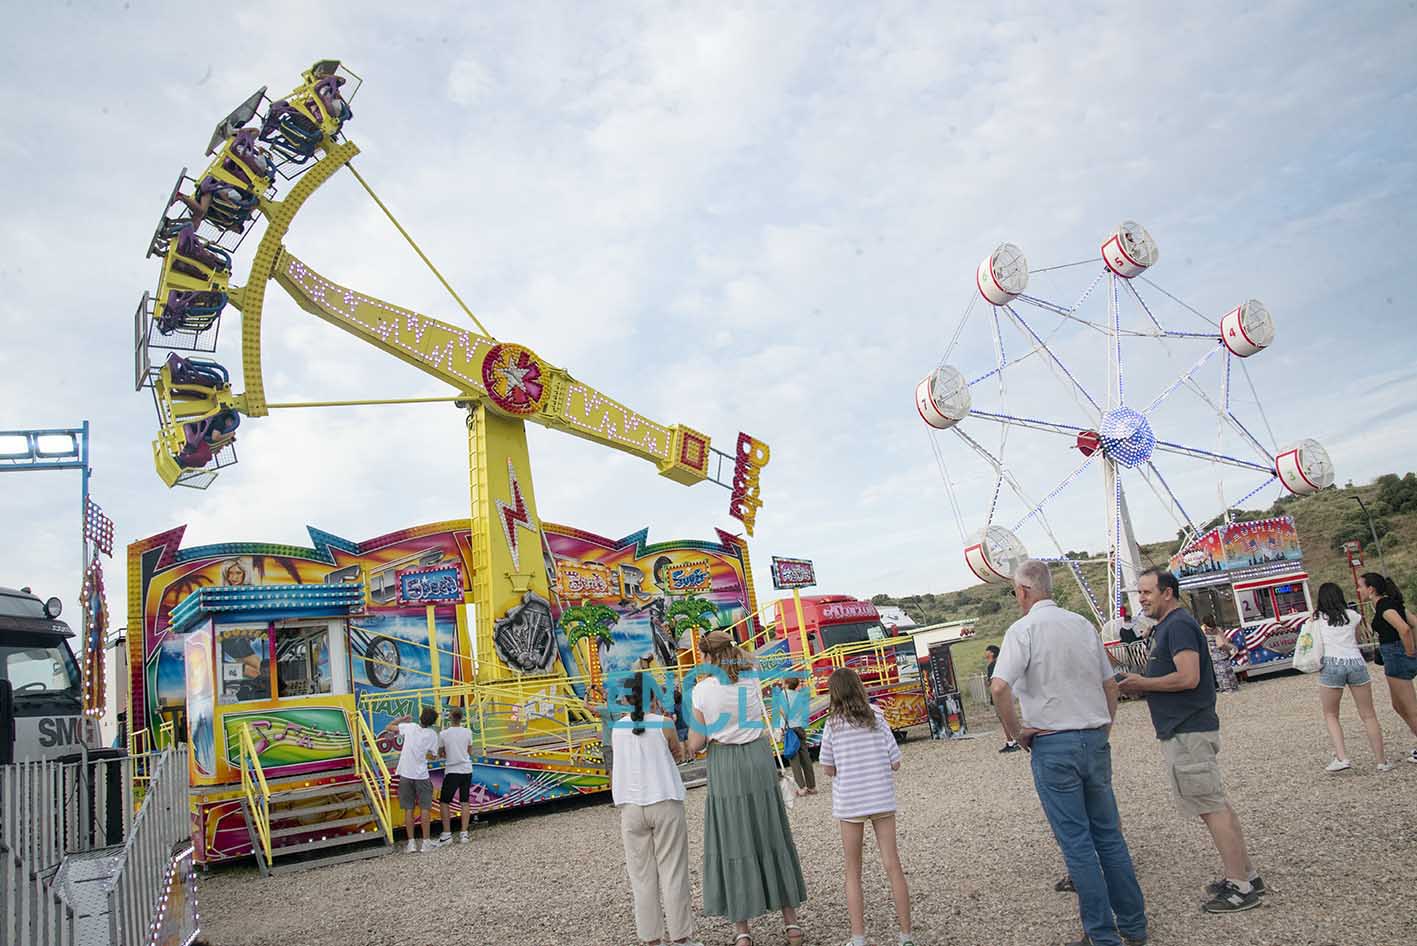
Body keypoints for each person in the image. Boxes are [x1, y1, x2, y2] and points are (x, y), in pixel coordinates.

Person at [991, 560, 1147, 946]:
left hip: (1053, 742)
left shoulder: (1022, 631)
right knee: (1109, 836)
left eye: (1015, 592)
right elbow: (1110, 684)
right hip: (1093, 736)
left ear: (1024, 591)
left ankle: (1101, 934)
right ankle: (1134, 925)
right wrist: (1104, 726)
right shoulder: (1081, 625)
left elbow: (998, 688)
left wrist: (1016, 735)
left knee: (1077, 843)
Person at [1119, 568, 1262, 913]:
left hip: (1188, 730)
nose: (1141, 598)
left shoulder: (1179, 625)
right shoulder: (1170, 626)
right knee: (1216, 803)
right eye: (1139, 592)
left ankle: (1240, 888)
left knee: (1211, 806)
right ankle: (1246, 874)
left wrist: (1142, 683)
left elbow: (1188, 676)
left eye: (1147, 592)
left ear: (1167, 592)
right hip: (1185, 728)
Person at [687, 630, 807, 946]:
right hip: (758, 757)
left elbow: (696, 743)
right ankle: (791, 923)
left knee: (733, 837)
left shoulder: (701, 691)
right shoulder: (750, 678)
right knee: (770, 830)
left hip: (725, 764)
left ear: (707, 656)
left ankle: (743, 929)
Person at [820, 668, 915, 946]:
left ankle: (858, 938)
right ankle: (906, 936)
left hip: (851, 802)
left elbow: (827, 768)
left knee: (853, 870)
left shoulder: (833, 725)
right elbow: (895, 761)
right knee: (893, 864)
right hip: (881, 798)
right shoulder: (878, 717)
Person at [613, 671, 700, 946]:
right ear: (653, 695)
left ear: (626, 699)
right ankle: (681, 937)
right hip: (663, 798)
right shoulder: (664, 724)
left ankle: (651, 938)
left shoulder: (617, 728)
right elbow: (678, 753)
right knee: (673, 871)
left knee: (641, 876)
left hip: (631, 805)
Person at [1305, 582, 1390, 773]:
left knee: (1331, 714)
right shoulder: (1353, 616)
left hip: (1332, 664)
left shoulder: (1317, 618)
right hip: (1355, 663)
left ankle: (1342, 757)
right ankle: (1381, 761)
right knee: (1368, 714)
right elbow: (1359, 639)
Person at [1357, 572, 1417, 764]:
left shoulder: (1384, 606)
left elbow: (1405, 628)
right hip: (1394, 655)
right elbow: (1414, 623)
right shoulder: (1392, 603)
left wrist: (1409, 652)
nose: (1359, 590)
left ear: (1371, 589)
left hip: (1396, 655)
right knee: (1398, 705)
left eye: (1361, 586)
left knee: (1410, 707)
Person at [393, 707, 441, 853]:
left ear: (420, 718)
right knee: (425, 808)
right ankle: (426, 842)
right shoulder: (432, 735)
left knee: (409, 809)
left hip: (406, 773)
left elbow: (388, 727)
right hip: (421, 775)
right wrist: (430, 756)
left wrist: (402, 719)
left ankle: (411, 843)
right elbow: (433, 756)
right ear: (432, 722)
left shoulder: (410, 727)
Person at [436, 706, 475, 844]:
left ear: (450, 717)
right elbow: (470, 751)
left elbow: (440, 753)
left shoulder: (443, 734)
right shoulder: (468, 732)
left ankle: (447, 834)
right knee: (465, 802)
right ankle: (464, 834)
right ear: (461, 718)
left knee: (444, 802)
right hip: (466, 769)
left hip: (452, 770)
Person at [782, 675, 817, 795]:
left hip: (790, 729)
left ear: (787, 684)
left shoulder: (783, 696)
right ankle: (812, 786)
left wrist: (781, 730)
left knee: (794, 759)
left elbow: (782, 714)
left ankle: (801, 788)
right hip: (800, 728)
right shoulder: (800, 696)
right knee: (805, 757)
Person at [986, 645, 1020, 753]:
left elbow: (992, 682)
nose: (985, 653)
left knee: (1003, 719)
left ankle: (1011, 742)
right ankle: (1014, 740)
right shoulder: (1000, 664)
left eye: (987, 651)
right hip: (1005, 694)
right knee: (1006, 717)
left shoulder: (992, 665)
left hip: (998, 696)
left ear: (992, 653)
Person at [1202, 619, 1240, 694]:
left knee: (1220, 673)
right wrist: (1231, 649)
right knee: (1228, 671)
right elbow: (1222, 645)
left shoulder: (1204, 632)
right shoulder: (1217, 631)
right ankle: (1233, 686)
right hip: (1222, 654)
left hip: (1213, 656)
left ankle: (1225, 688)